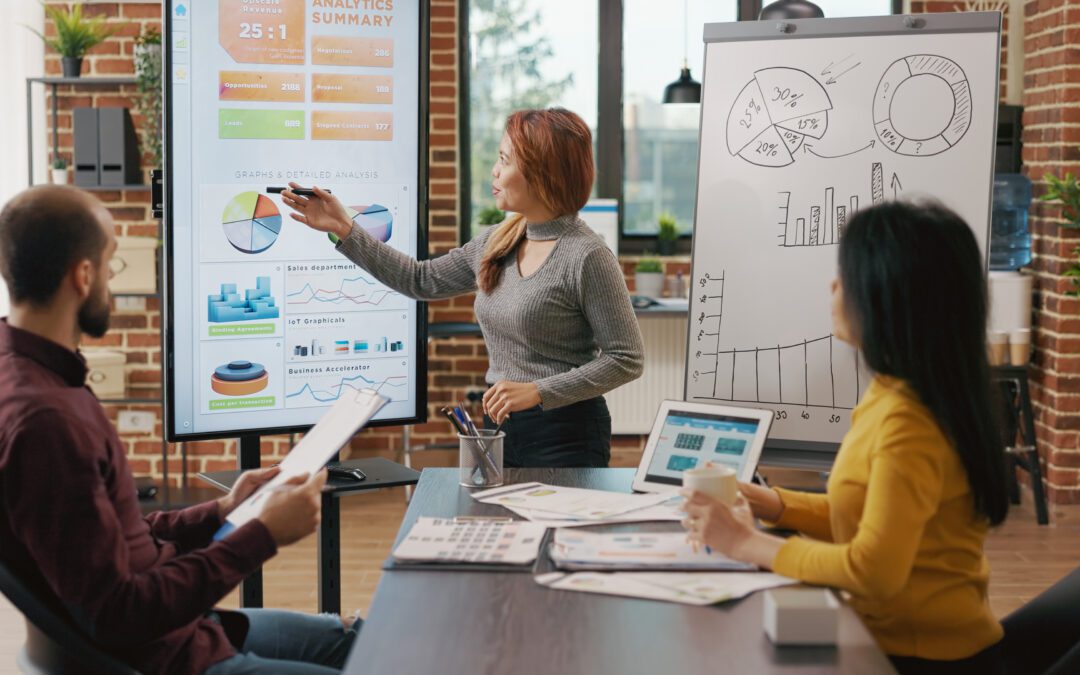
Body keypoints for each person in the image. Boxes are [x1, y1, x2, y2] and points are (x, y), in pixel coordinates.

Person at [0, 185, 358, 675]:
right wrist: (260, 533)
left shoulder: (28, 377)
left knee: (360, 640)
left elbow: (112, 539)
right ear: (83, 277)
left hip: (190, 630)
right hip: (172, 658)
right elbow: (120, 612)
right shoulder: (47, 423)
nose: (109, 279)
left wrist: (224, 510)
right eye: (109, 264)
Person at [681, 201, 1010, 674]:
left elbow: (872, 571)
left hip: (922, 657)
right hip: (885, 639)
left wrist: (745, 543)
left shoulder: (909, 423)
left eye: (844, 276)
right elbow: (865, 514)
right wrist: (771, 503)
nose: (833, 288)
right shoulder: (896, 390)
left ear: (887, 295)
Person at [282, 108, 644, 468]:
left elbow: (626, 358)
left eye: (505, 159)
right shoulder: (498, 240)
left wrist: (538, 391)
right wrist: (346, 228)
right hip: (501, 426)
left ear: (542, 173)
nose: (495, 170)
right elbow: (419, 279)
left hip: (566, 434)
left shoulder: (587, 254)